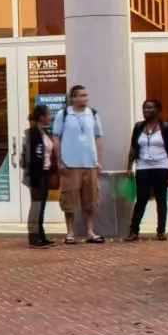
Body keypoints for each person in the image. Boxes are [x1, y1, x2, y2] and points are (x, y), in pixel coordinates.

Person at [51, 84, 104, 244]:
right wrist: (59, 161)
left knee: (90, 200)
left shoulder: (93, 114)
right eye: (81, 95)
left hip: (90, 164)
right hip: (70, 165)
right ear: (73, 98)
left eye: (86, 95)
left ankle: (90, 232)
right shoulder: (64, 114)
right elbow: (56, 138)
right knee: (69, 200)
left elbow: (98, 138)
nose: (85, 98)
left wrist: (99, 161)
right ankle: (70, 233)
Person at [125, 98, 168, 241]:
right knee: (141, 199)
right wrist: (129, 167)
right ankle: (134, 231)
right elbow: (133, 148)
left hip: (162, 166)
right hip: (143, 167)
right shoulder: (138, 127)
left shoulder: (166, 127)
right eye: (144, 108)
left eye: (150, 108)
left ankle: (161, 230)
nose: (146, 111)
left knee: (161, 199)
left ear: (158, 110)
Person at [23, 104, 55, 248]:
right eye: (48, 114)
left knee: (41, 206)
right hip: (36, 175)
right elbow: (31, 156)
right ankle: (34, 237)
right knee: (36, 206)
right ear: (41, 117)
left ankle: (41, 235)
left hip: (45, 173)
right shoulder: (33, 133)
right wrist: (33, 177)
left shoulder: (46, 133)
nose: (50, 117)